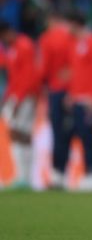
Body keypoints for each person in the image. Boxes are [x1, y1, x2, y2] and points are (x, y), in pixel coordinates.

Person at [65, 12, 92, 191]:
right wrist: (71, 94)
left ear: (76, 24)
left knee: (89, 136)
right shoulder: (74, 45)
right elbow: (76, 72)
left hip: (89, 99)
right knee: (82, 136)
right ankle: (89, 172)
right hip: (78, 99)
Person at [0, 21, 40, 189]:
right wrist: (8, 97)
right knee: (18, 133)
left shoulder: (24, 45)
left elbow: (30, 73)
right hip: (16, 95)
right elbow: (12, 72)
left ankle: (25, 176)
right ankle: (22, 176)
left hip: (24, 96)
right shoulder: (14, 48)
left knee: (20, 133)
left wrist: (19, 98)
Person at [37, 12, 75, 189]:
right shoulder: (71, 36)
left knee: (57, 132)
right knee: (69, 133)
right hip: (73, 89)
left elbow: (43, 68)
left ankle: (57, 173)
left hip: (55, 90)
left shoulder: (46, 39)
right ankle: (64, 172)